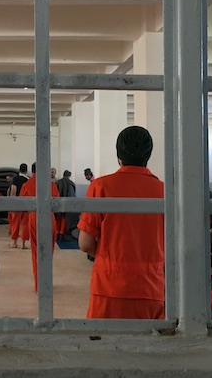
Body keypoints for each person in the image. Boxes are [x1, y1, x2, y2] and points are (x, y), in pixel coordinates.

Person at [78, 126, 165, 319]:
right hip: (151, 289)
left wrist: (108, 259)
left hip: (108, 287)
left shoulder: (100, 187)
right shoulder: (164, 191)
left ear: (119, 156)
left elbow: (85, 244)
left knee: (104, 345)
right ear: (148, 155)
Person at [19, 162, 60, 292]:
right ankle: (47, 283)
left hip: (34, 218)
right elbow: (57, 202)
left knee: (36, 252)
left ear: (32, 171)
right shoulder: (51, 185)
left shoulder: (27, 185)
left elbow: (21, 204)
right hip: (50, 219)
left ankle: (39, 285)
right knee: (48, 253)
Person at [8, 163, 30, 249]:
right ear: (26, 170)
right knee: (25, 224)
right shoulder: (29, 179)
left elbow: (13, 191)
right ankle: (23, 244)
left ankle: (14, 243)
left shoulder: (16, 179)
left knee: (15, 223)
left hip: (17, 203)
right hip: (26, 204)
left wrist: (11, 202)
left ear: (19, 170)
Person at [55, 170, 76, 235]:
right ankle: (62, 234)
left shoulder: (57, 182)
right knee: (64, 220)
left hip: (57, 203)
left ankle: (57, 233)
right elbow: (72, 195)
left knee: (58, 219)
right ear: (69, 176)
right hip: (66, 204)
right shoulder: (71, 183)